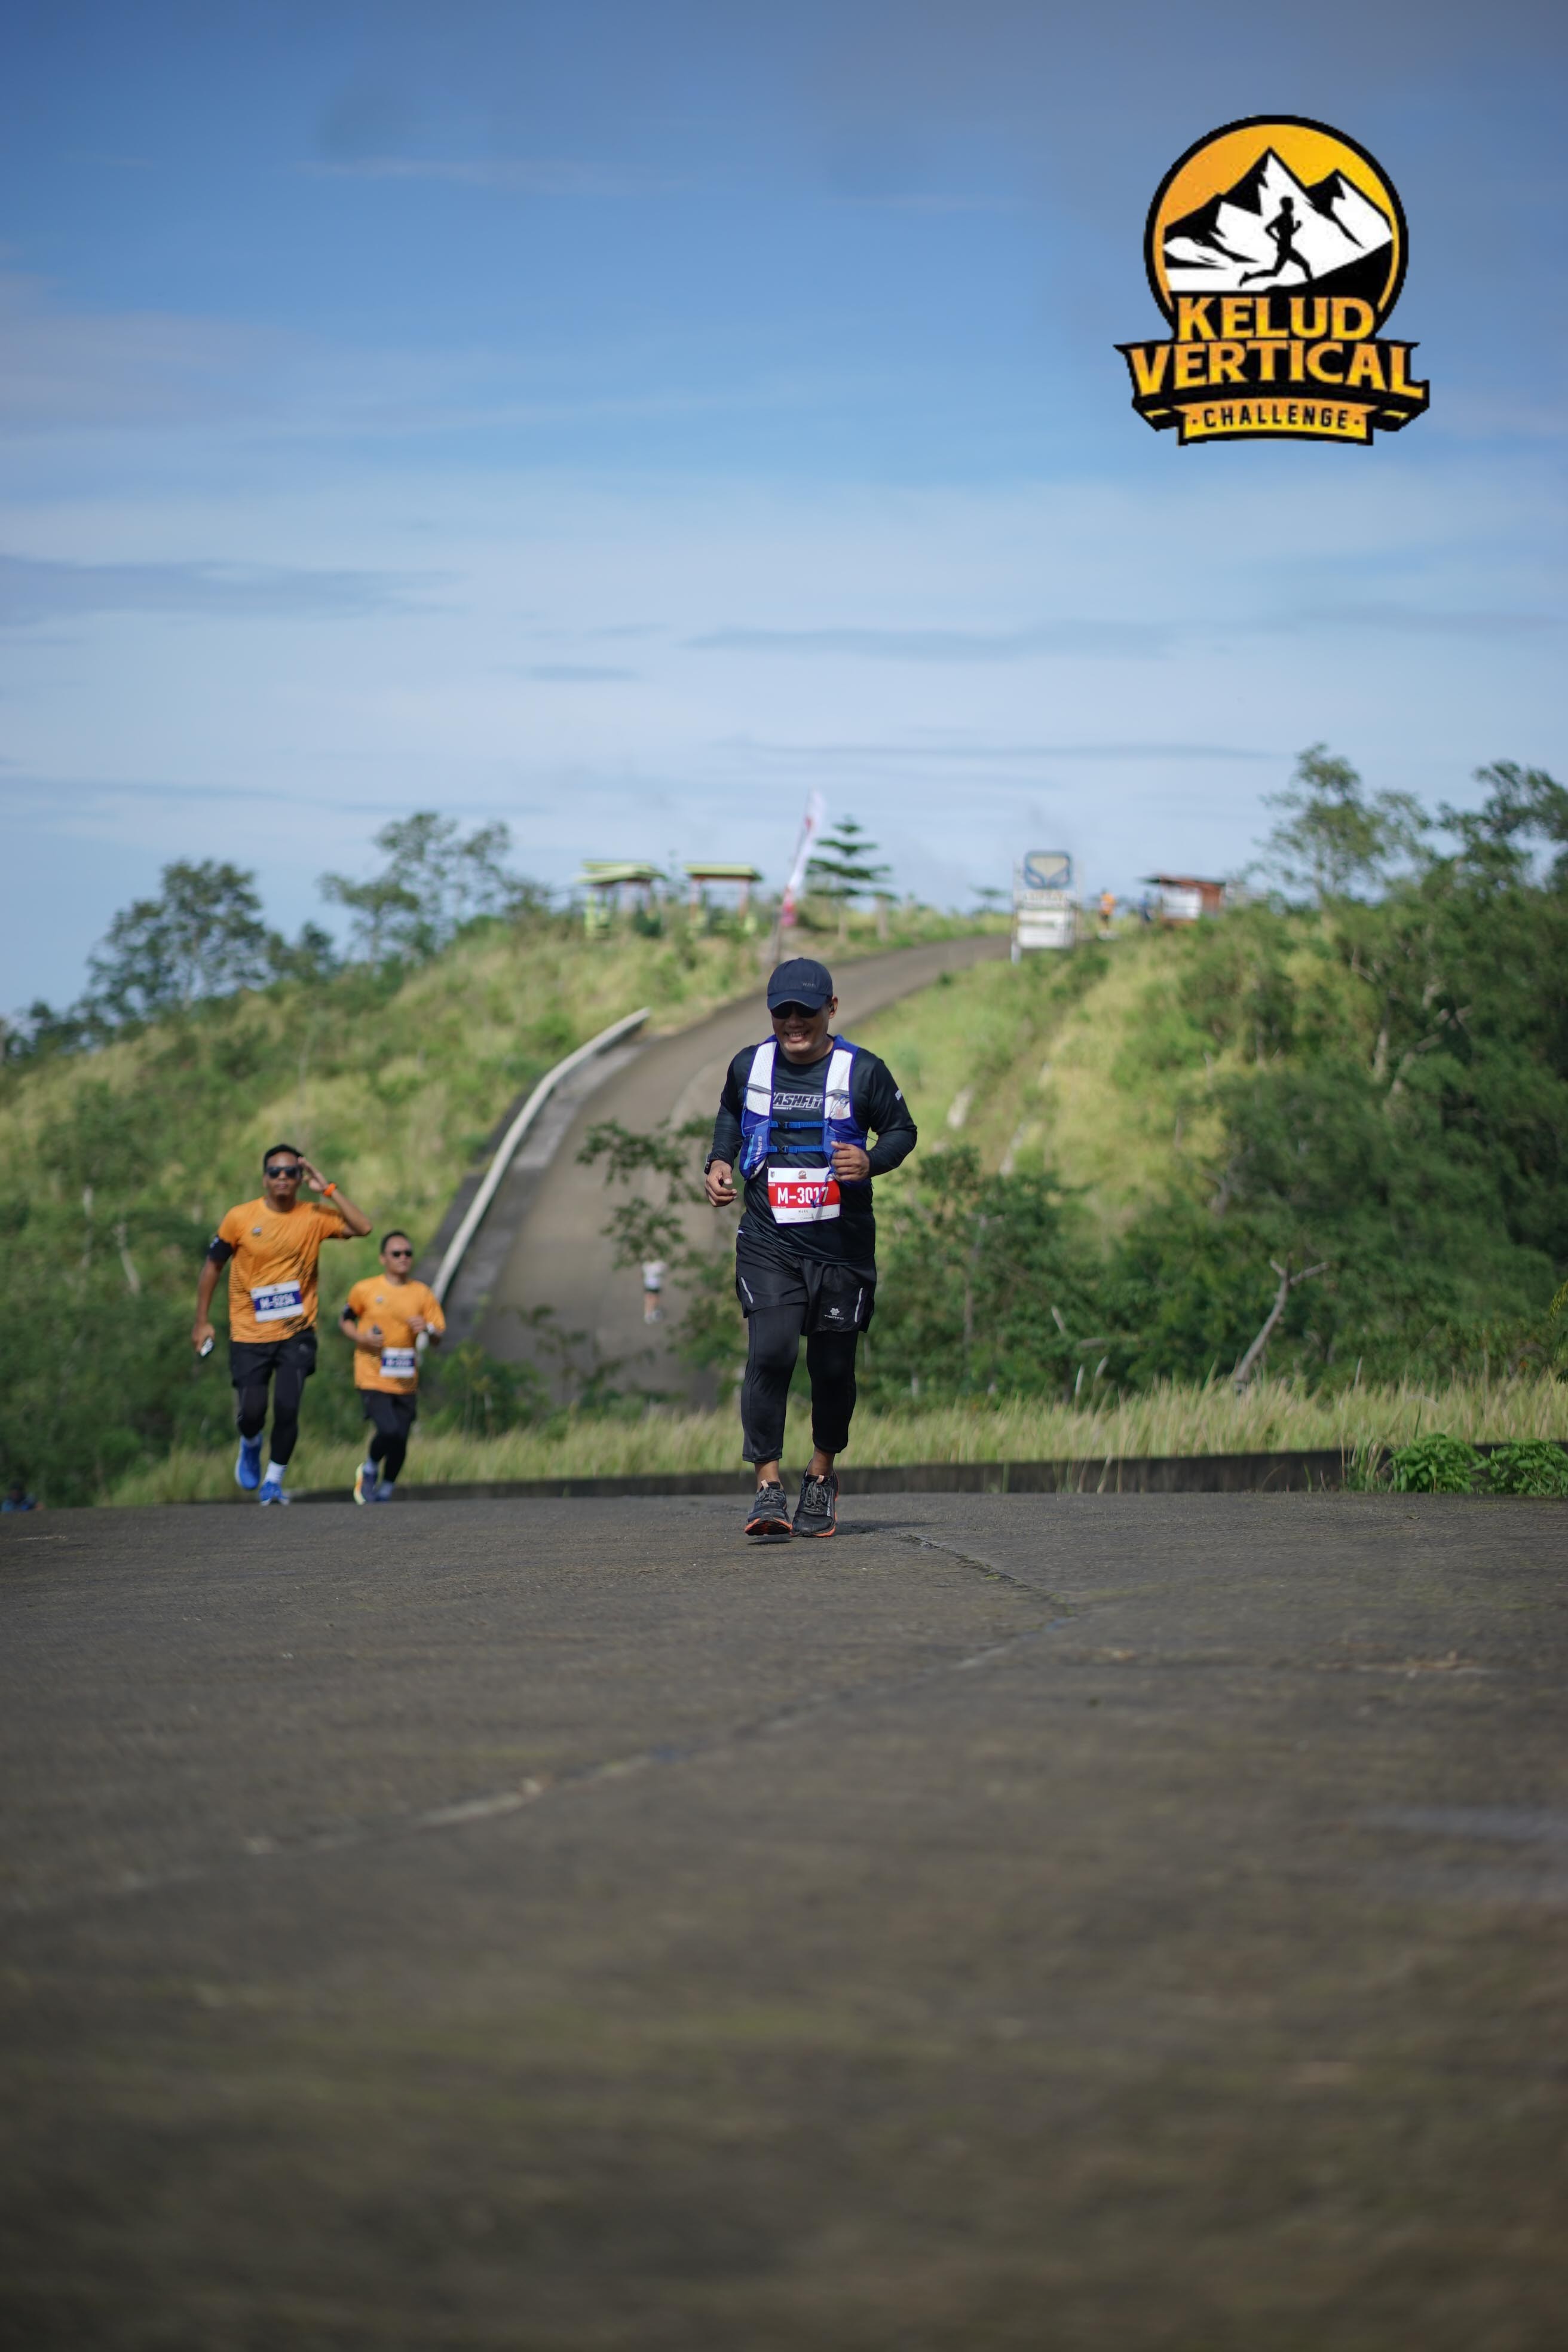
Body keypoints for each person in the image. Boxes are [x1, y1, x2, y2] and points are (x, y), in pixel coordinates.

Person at [705, 956, 917, 1541]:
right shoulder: (749, 1065)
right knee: (771, 1352)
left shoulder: (862, 1071)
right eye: (783, 1012)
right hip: (768, 1241)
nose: (794, 1023)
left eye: (806, 1011)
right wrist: (719, 1161)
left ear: (832, 1009)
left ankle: (820, 1476)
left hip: (841, 1248)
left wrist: (871, 1160)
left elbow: (903, 1130)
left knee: (832, 1369)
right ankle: (767, 1488)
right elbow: (730, 1113)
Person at [192, 1145, 371, 1504]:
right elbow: (213, 1267)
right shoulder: (240, 1218)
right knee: (252, 1413)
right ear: (265, 1178)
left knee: (288, 1407)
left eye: (291, 1172)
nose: (283, 1178)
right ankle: (250, 1442)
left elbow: (363, 1227)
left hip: (297, 1333)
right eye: (275, 1171)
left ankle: (273, 1481)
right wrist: (202, 1322)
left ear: (301, 1179)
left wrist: (328, 1189)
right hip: (249, 1333)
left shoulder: (314, 1215)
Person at [339, 1232, 445, 1503]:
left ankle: (385, 1491)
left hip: (405, 1378)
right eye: (396, 1254)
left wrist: (427, 1328)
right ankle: (369, 1469)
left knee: (400, 1438)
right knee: (387, 1430)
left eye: (408, 1253)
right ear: (383, 1258)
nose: (403, 1258)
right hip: (372, 1374)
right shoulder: (365, 1289)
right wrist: (362, 1338)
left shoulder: (422, 1293)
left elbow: (438, 1336)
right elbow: (345, 1320)